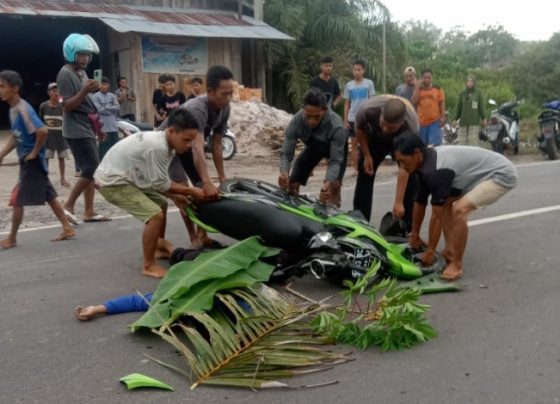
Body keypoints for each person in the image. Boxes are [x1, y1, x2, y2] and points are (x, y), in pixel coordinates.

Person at [94, 109, 205, 278]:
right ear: (171, 131)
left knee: (161, 203)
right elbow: (160, 183)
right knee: (155, 216)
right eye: (186, 139)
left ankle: (159, 248)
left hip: (128, 177)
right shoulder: (158, 147)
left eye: (192, 140)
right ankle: (148, 265)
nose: (189, 144)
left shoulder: (167, 145)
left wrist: (175, 196)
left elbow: (154, 179)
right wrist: (190, 190)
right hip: (112, 182)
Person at [393, 133, 518, 281]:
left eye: (402, 161)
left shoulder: (436, 170)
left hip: (501, 174)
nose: (401, 166)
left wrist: (431, 251)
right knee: (445, 202)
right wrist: (414, 234)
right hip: (474, 176)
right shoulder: (421, 166)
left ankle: (456, 264)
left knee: (460, 210)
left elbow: (436, 216)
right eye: (397, 162)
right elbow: (420, 202)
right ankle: (450, 251)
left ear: (416, 153)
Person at [0, 70, 76, 248]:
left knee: (17, 199)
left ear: (15, 88)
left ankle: (12, 238)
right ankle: (67, 227)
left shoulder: (23, 109)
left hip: (32, 162)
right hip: (28, 161)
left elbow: (42, 131)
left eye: (2, 86)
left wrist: (35, 152)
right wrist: (2, 154)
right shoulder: (13, 110)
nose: (0, 90)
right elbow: (16, 136)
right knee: (50, 195)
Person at [168, 65, 234, 248]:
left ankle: (202, 235)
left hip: (189, 149)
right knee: (184, 193)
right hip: (171, 150)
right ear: (210, 91)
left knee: (204, 194)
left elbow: (217, 143)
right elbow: (198, 148)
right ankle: (193, 239)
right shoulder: (197, 108)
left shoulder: (224, 108)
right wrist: (206, 181)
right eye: (224, 94)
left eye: (231, 93)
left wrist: (222, 178)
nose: (228, 98)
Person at [74, 239, 217, 320]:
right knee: (189, 256)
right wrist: (99, 308)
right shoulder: (184, 298)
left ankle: (170, 249)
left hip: (214, 270)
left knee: (192, 258)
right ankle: (169, 248)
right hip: (203, 262)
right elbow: (140, 301)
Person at [56, 33, 111, 224]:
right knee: (91, 168)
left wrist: (98, 128)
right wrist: (84, 90)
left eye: (88, 55)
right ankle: (68, 205)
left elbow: (86, 103)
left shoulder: (81, 72)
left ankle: (89, 211)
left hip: (87, 126)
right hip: (75, 128)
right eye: (82, 54)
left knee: (91, 170)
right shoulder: (65, 74)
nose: (86, 58)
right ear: (71, 54)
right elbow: (66, 106)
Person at [352, 95, 419, 227]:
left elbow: (405, 166)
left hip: (400, 140)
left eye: (390, 127)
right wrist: (367, 155)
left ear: (401, 123)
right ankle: (360, 222)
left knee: (412, 177)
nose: (385, 129)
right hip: (375, 139)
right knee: (365, 170)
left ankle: (405, 225)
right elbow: (359, 128)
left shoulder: (411, 126)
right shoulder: (367, 110)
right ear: (381, 112)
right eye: (383, 124)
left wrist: (398, 202)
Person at [279, 88, 347, 206]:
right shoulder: (297, 120)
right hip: (314, 147)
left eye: (317, 117)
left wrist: (328, 182)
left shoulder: (336, 126)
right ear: (303, 110)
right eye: (308, 116)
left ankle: (333, 214)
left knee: (333, 187)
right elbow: (286, 153)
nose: (312, 121)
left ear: (325, 110)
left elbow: (335, 161)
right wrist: (284, 172)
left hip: (335, 149)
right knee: (292, 184)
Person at [344, 59, 375, 173]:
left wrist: (372, 118)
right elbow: (347, 103)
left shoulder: (369, 83)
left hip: (365, 117)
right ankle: (355, 168)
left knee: (366, 143)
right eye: (355, 69)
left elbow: (372, 100)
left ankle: (367, 163)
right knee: (354, 143)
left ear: (363, 70)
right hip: (352, 118)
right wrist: (345, 120)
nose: (356, 72)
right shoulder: (349, 85)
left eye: (359, 69)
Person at [39, 82, 70, 187]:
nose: (56, 92)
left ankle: (62, 179)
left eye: (57, 90)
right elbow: (40, 121)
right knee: (46, 159)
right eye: (53, 90)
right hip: (48, 138)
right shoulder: (43, 106)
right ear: (48, 92)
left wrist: (61, 100)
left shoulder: (62, 106)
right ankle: (45, 179)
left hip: (61, 138)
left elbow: (66, 113)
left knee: (61, 159)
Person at [453, 75, 487, 146]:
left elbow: (481, 107)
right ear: (465, 83)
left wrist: (484, 118)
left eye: (471, 81)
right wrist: (455, 119)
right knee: (462, 142)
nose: (469, 83)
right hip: (463, 122)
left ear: (474, 83)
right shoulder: (462, 94)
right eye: (468, 81)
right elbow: (458, 108)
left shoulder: (478, 93)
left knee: (473, 142)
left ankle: (473, 157)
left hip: (474, 122)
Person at [92, 76, 120, 160]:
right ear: (99, 85)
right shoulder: (95, 96)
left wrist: (106, 107)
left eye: (106, 84)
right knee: (103, 150)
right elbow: (99, 109)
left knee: (115, 149)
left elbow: (117, 107)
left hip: (113, 127)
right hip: (103, 128)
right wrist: (111, 108)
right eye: (103, 84)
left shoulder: (112, 96)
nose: (105, 86)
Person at [415, 69, 445, 147]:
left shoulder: (438, 89)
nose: (427, 79)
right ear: (422, 78)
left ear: (432, 78)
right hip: (422, 122)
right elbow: (413, 102)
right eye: (425, 77)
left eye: (429, 77)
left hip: (434, 121)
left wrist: (442, 116)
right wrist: (417, 87)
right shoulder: (419, 90)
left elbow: (441, 103)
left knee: (434, 145)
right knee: (422, 145)